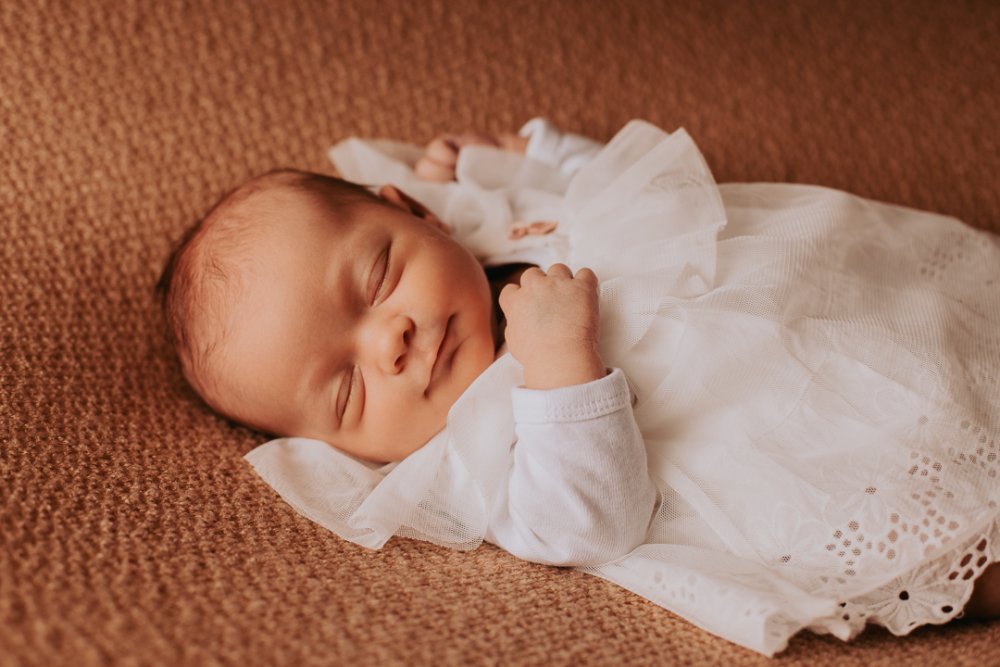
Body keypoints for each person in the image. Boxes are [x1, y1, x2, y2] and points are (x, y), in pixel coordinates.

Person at [158, 118, 1000, 656]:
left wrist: (533, 159)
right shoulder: (465, 460)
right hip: (785, 442)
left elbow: (639, 185)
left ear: (416, 212)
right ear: (341, 449)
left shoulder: (491, 221)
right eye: (346, 391)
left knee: (939, 320)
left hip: (818, 297)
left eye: (377, 273)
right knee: (947, 537)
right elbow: (588, 523)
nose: (391, 339)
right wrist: (562, 366)